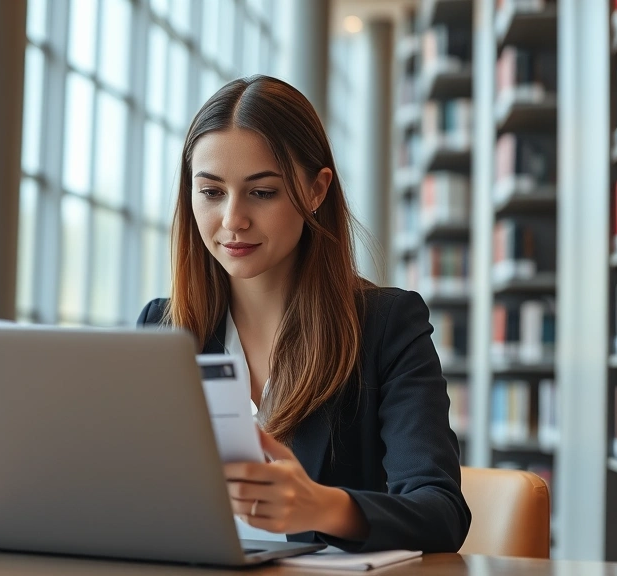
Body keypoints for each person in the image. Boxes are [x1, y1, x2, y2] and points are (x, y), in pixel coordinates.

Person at [137, 75, 470, 553]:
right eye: (211, 192)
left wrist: (321, 506)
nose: (233, 220)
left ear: (316, 191)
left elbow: (441, 512)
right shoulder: (164, 330)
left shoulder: (386, 326)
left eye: (263, 192)